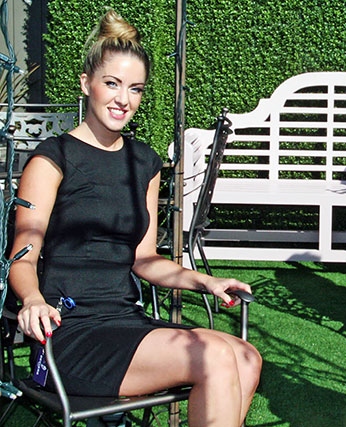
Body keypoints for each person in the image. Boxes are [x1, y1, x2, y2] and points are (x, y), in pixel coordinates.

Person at [8, 9, 261, 426]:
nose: (123, 99)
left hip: (126, 321)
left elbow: (144, 260)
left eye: (136, 88)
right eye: (112, 84)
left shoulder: (144, 162)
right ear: (86, 81)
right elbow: (24, 253)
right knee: (214, 354)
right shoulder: (53, 159)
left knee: (247, 357)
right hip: (70, 331)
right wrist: (33, 299)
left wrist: (206, 281)